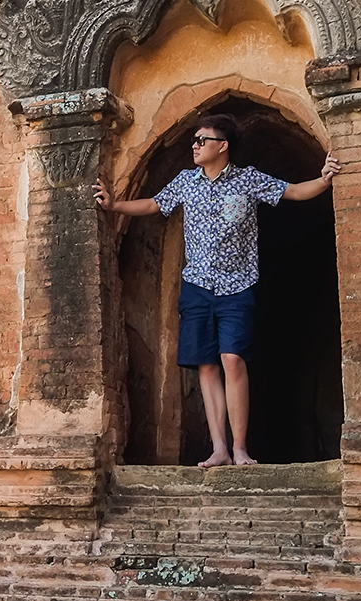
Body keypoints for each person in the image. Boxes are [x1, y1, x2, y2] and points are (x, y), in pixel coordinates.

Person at [94, 114, 341, 467]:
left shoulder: (248, 180)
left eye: (201, 140)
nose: (194, 146)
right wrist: (113, 205)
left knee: (232, 359)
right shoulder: (185, 182)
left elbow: (294, 191)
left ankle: (240, 448)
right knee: (207, 366)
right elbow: (153, 204)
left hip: (238, 286)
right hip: (196, 286)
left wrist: (325, 178)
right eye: (194, 140)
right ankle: (220, 449)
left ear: (222, 146)